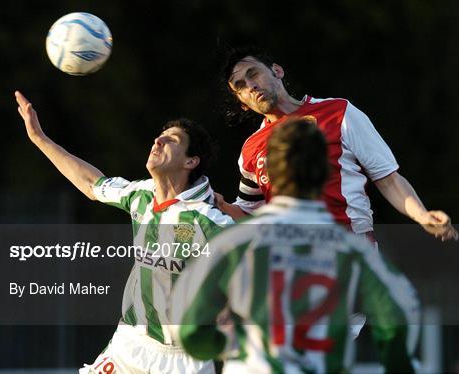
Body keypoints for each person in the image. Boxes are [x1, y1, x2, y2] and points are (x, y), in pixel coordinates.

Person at [172, 118, 420, 373]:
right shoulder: (355, 251)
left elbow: (189, 328)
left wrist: (227, 345)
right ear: (326, 173)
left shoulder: (234, 242)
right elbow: (398, 319)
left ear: (269, 176)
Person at [14, 91, 233, 373]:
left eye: (172, 140)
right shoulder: (140, 195)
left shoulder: (208, 220)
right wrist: (39, 138)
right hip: (131, 343)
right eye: (160, 135)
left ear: (191, 162)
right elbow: (92, 183)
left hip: (185, 360)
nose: (158, 141)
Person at [216, 46, 458, 242]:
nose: (251, 86)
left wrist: (422, 215)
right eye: (240, 87)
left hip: (350, 247)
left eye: (253, 74)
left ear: (277, 71)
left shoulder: (338, 112)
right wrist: (218, 204)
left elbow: (388, 179)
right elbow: (249, 211)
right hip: (290, 259)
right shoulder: (250, 149)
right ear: (243, 104)